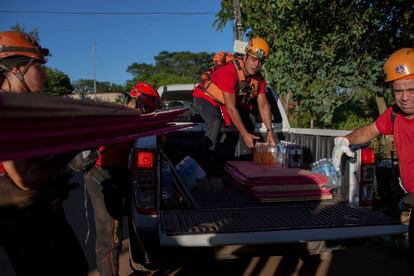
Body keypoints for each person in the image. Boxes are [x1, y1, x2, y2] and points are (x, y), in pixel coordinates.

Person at [0, 31, 89, 275]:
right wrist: (73, 149)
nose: (45, 72)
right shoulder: (6, 110)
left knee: (75, 268)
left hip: (42, 209)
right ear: (18, 70)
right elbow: (24, 179)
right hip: (22, 215)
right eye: (38, 66)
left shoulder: (26, 108)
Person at [332, 48, 414, 260]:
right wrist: (346, 140)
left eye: (411, 90)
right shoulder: (394, 114)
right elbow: (371, 130)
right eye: (398, 91)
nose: (404, 97)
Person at [84, 82, 161, 276]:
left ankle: (144, 260)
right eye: (148, 109)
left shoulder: (134, 120)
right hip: (102, 176)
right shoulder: (116, 120)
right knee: (110, 235)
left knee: (135, 220)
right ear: (140, 104)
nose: (148, 113)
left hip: (121, 173)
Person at [192, 37, 277, 160]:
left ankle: (237, 161)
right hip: (205, 98)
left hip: (228, 102)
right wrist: (244, 134)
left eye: (260, 61)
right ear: (246, 56)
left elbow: (263, 106)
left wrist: (270, 132)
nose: (256, 65)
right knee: (215, 121)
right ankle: (207, 164)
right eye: (253, 59)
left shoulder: (259, 79)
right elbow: (231, 108)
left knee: (250, 118)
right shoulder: (230, 71)